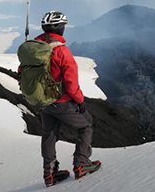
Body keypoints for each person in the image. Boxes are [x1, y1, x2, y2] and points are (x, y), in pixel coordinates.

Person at [34, 11, 101, 186]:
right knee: (86, 124)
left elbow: (22, 71)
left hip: (43, 101)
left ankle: (49, 174)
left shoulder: (34, 47)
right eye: (62, 25)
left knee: (49, 133)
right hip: (61, 101)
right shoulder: (61, 51)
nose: (64, 28)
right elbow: (71, 83)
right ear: (57, 27)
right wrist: (80, 101)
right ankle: (82, 165)